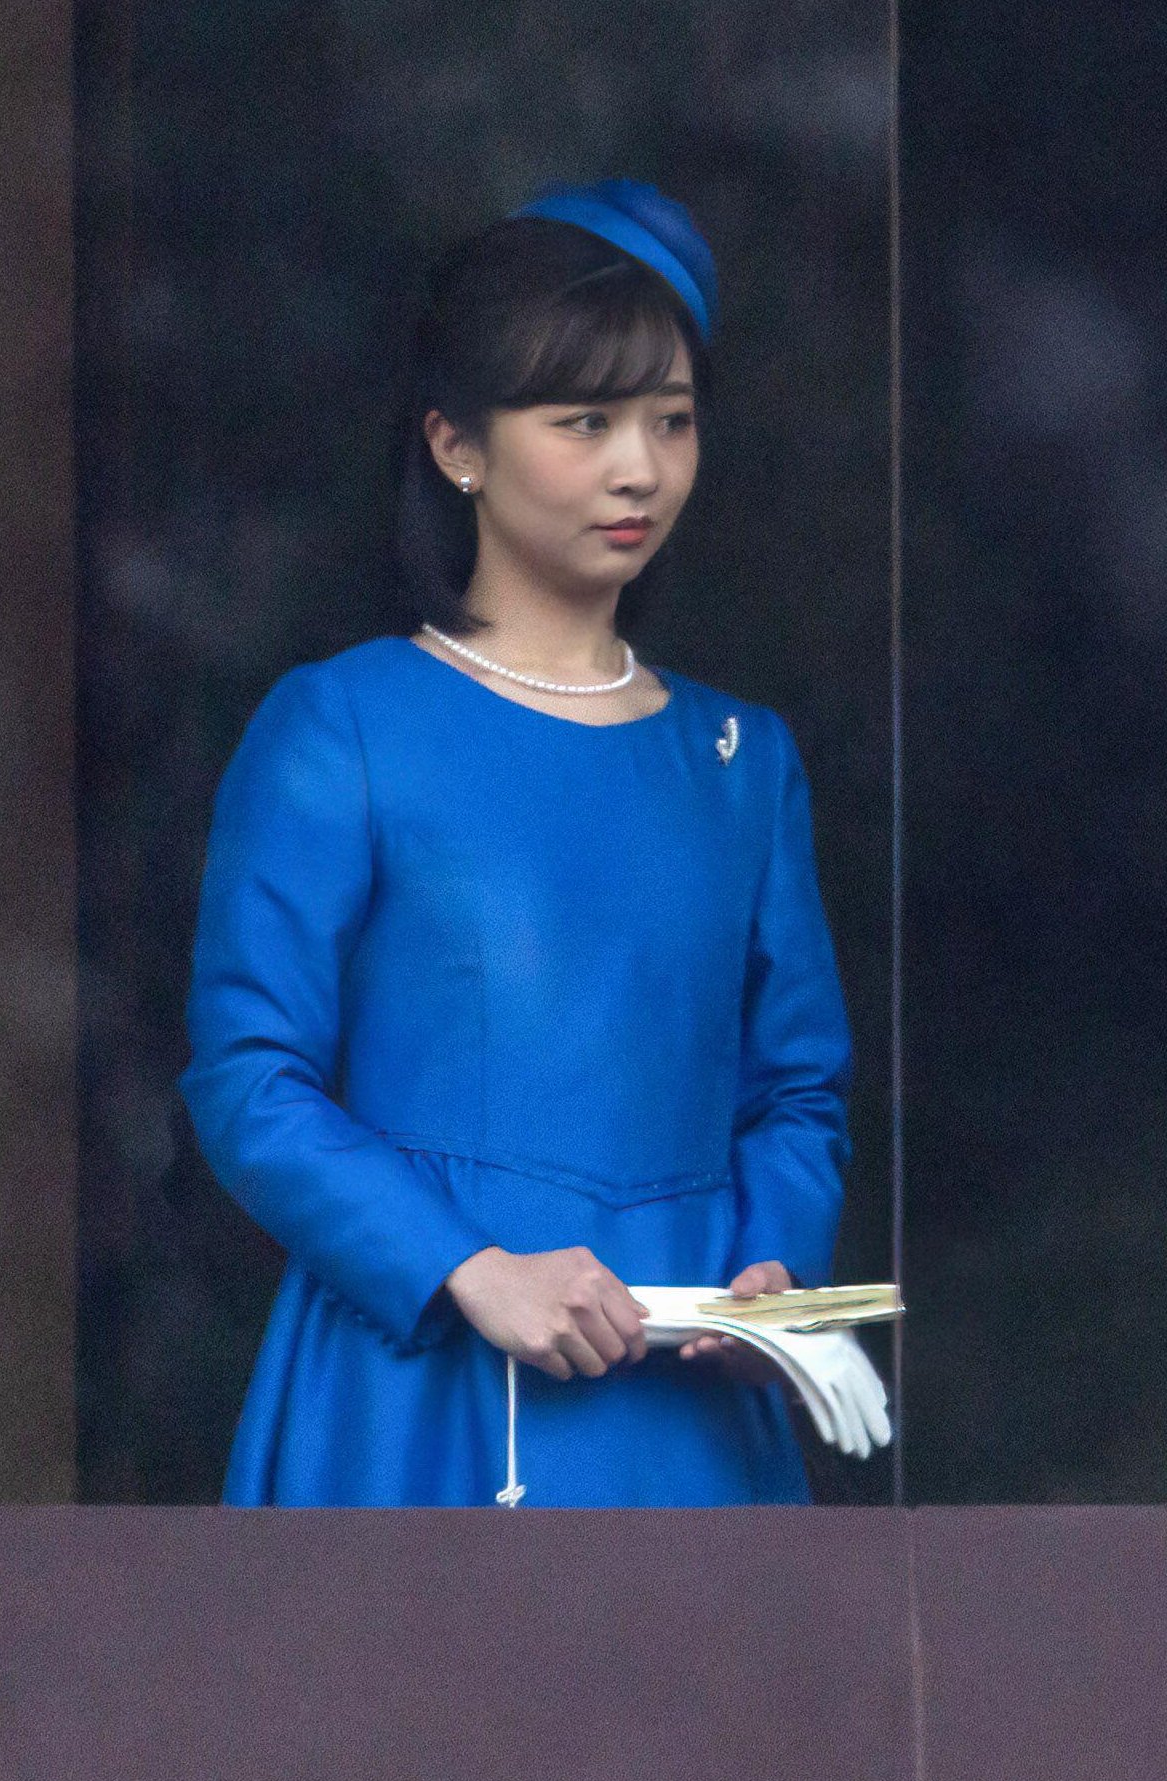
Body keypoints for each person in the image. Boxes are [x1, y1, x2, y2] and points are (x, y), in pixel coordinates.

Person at [177, 177, 853, 1507]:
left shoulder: (742, 762)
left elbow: (797, 1091)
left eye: (671, 421)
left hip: (688, 1407)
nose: (639, 468)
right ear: (456, 445)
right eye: (585, 420)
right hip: (414, 1378)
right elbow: (249, 1074)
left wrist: (772, 1267)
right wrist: (465, 1266)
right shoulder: (344, 724)